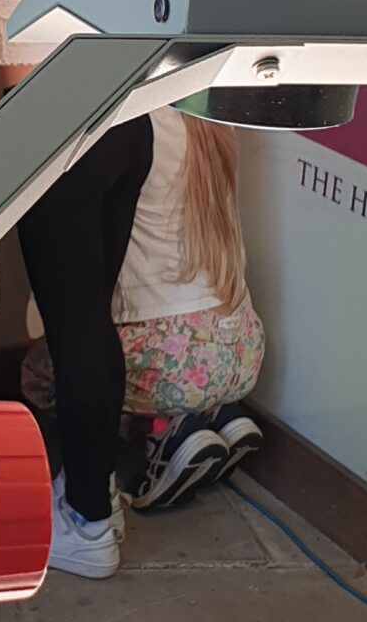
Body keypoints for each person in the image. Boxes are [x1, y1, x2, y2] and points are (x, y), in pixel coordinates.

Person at [0, 0, 151, 579]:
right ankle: (93, 495)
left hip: (58, 137)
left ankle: (87, 520)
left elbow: (15, 65)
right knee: (92, 322)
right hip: (128, 128)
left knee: (79, 328)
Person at [24, 108, 268, 514]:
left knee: (44, 371)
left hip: (171, 356)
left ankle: (162, 430)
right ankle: (212, 413)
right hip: (241, 345)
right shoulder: (217, 123)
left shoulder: (136, 129)